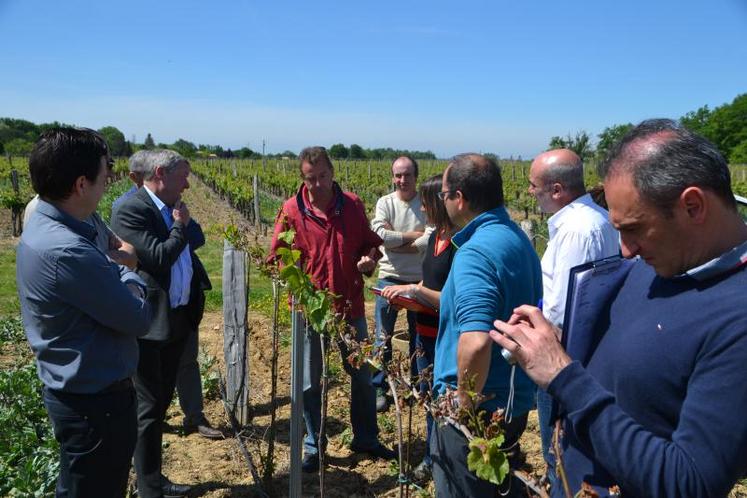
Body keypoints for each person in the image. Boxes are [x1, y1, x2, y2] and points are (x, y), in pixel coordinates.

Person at [491, 119, 747, 497]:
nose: (625, 250)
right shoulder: (663, 262)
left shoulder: (737, 317)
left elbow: (689, 483)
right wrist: (556, 340)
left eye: (634, 228)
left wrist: (563, 377)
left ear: (693, 206)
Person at [16, 128, 151, 497]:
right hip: (96, 410)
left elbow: (109, 249)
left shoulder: (71, 220)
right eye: (105, 169)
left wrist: (111, 263)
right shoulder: (67, 249)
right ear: (80, 184)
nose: (110, 177)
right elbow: (138, 316)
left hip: (90, 401)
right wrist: (129, 270)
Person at [268, 146, 396, 473]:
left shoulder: (351, 205)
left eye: (322, 176)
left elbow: (370, 243)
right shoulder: (291, 211)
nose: (317, 184)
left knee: (363, 376)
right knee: (310, 382)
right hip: (309, 311)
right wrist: (295, 282)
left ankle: (366, 438)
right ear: (302, 178)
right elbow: (275, 258)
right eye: (310, 179)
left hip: (349, 307)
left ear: (332, 173)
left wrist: (369, 260)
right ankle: (314, 446)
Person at [430, 154, 542, 497]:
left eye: (444, 195)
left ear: (459, 198)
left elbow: (476, 342)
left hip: (479, 410)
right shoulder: (516, 238)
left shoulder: (475, 252)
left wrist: (464, 410)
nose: (443, 202)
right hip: (510, 402)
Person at [111, 149, 212, 498]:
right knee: (148, 406)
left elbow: (196, 240)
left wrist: (179, 230)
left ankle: (152, 478)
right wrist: (179, 227)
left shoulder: (174, 206)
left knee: (159, 402)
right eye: (183, 175)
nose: (187, 182)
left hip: (178, 318)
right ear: (160, 173)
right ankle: (148, 485)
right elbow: (158, 258)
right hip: (151, 325)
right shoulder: (132, 208)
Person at [527, 148, 619, 485]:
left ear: (556, 190)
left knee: (561, 456)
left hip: (564, 360)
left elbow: (565, 312)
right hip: (590, 355)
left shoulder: (576, 231)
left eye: (533, 185)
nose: (529, 192)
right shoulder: (597, 219)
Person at [380, 174, 456, 482]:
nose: (422, 209)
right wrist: (411, 291)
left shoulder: (459, 243)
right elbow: (430, 282)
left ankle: (442, 462)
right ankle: (431, 457)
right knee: (427, 397)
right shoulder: (435, 238)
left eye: (425, 203)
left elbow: (451, 297)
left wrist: (413, 291)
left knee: (444, 401)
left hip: (445, 335)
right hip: (424, 332)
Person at [370, 155, 429, 411]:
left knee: (421, 338)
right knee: (382, 337)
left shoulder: (426, 203)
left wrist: (397, 242)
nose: (402, 179)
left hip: (420, 280)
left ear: (416, 176)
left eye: (407, 175)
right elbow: (380, 236)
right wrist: (413, 239)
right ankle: (379, 388)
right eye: (397, 175)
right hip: (389, 277)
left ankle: (419, 387)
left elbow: (430, 239)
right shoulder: (385, 202)